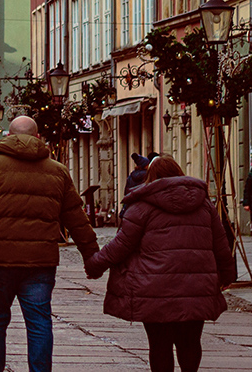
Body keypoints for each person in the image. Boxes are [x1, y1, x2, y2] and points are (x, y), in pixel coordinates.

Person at [0, 117, 99, 372]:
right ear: (38, 137)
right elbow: (77, 218)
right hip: (39, 263)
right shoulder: (57, 170)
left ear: (8, 136)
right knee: (39, 322)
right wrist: (92, 258)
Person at [84, 155, 237, 372]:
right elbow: (220, 243)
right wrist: (227, 275)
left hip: (154, 289)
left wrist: (94, 265)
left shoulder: (142, 206)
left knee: (159, 345)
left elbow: (121, 245)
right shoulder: (204, 205)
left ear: (152, 177)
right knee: (190, 342)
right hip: (196, 288)